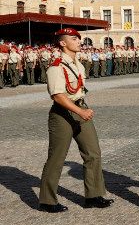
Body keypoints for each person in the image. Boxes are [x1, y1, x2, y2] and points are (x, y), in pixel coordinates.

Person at [39, 28, 113, 212]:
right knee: (57, 157)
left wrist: (82, 110)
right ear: (63, 43)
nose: (79, 41)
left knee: (93, 153)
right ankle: (47, 200)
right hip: (63, 113)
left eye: (79, 39)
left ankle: (94, 195)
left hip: (80, 108)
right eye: (74, 39)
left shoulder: (77, 64)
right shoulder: (56, 66)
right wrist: (80, 111)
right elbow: (58, 96)